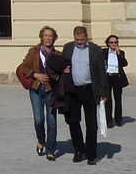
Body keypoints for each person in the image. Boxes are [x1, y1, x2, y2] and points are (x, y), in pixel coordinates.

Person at [47, 24, 110, 165]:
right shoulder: (68, 48)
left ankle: (91, 153)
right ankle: (79, 149)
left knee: (92, 124)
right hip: (73, 90)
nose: (79, 42)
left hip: (89, 90)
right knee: (73, 121)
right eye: (77, 39)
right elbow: (62, 64)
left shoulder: (95, 50)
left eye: (81, 40)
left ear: (86, 37)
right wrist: (64, 69)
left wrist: (104, 92)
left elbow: (101, 72)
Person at [16, 26, 60, 159]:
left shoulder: (57, 54)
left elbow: (61, 72)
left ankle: (51, 149)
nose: (48, 38)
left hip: (51, 90)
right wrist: (35, 75)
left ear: (54, 38)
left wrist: (54, 77)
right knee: (39, 120)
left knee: (52, 121)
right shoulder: (34, 51)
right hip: (36, 89)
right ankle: (41, 140)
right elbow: (23, 67)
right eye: (46, 35)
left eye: (50, 36)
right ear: (41, 37)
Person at [103, 34, 129, 127]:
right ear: (108, 43)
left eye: (115, 42)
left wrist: (119, 54)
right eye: (111, 42)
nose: (114, 44)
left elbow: (124, 64)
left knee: (118, 99)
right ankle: (109, 120)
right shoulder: (104, 52)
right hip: (107, 76)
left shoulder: (121, 52)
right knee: (107, 99)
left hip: (117, 77)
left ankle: (118, 120)